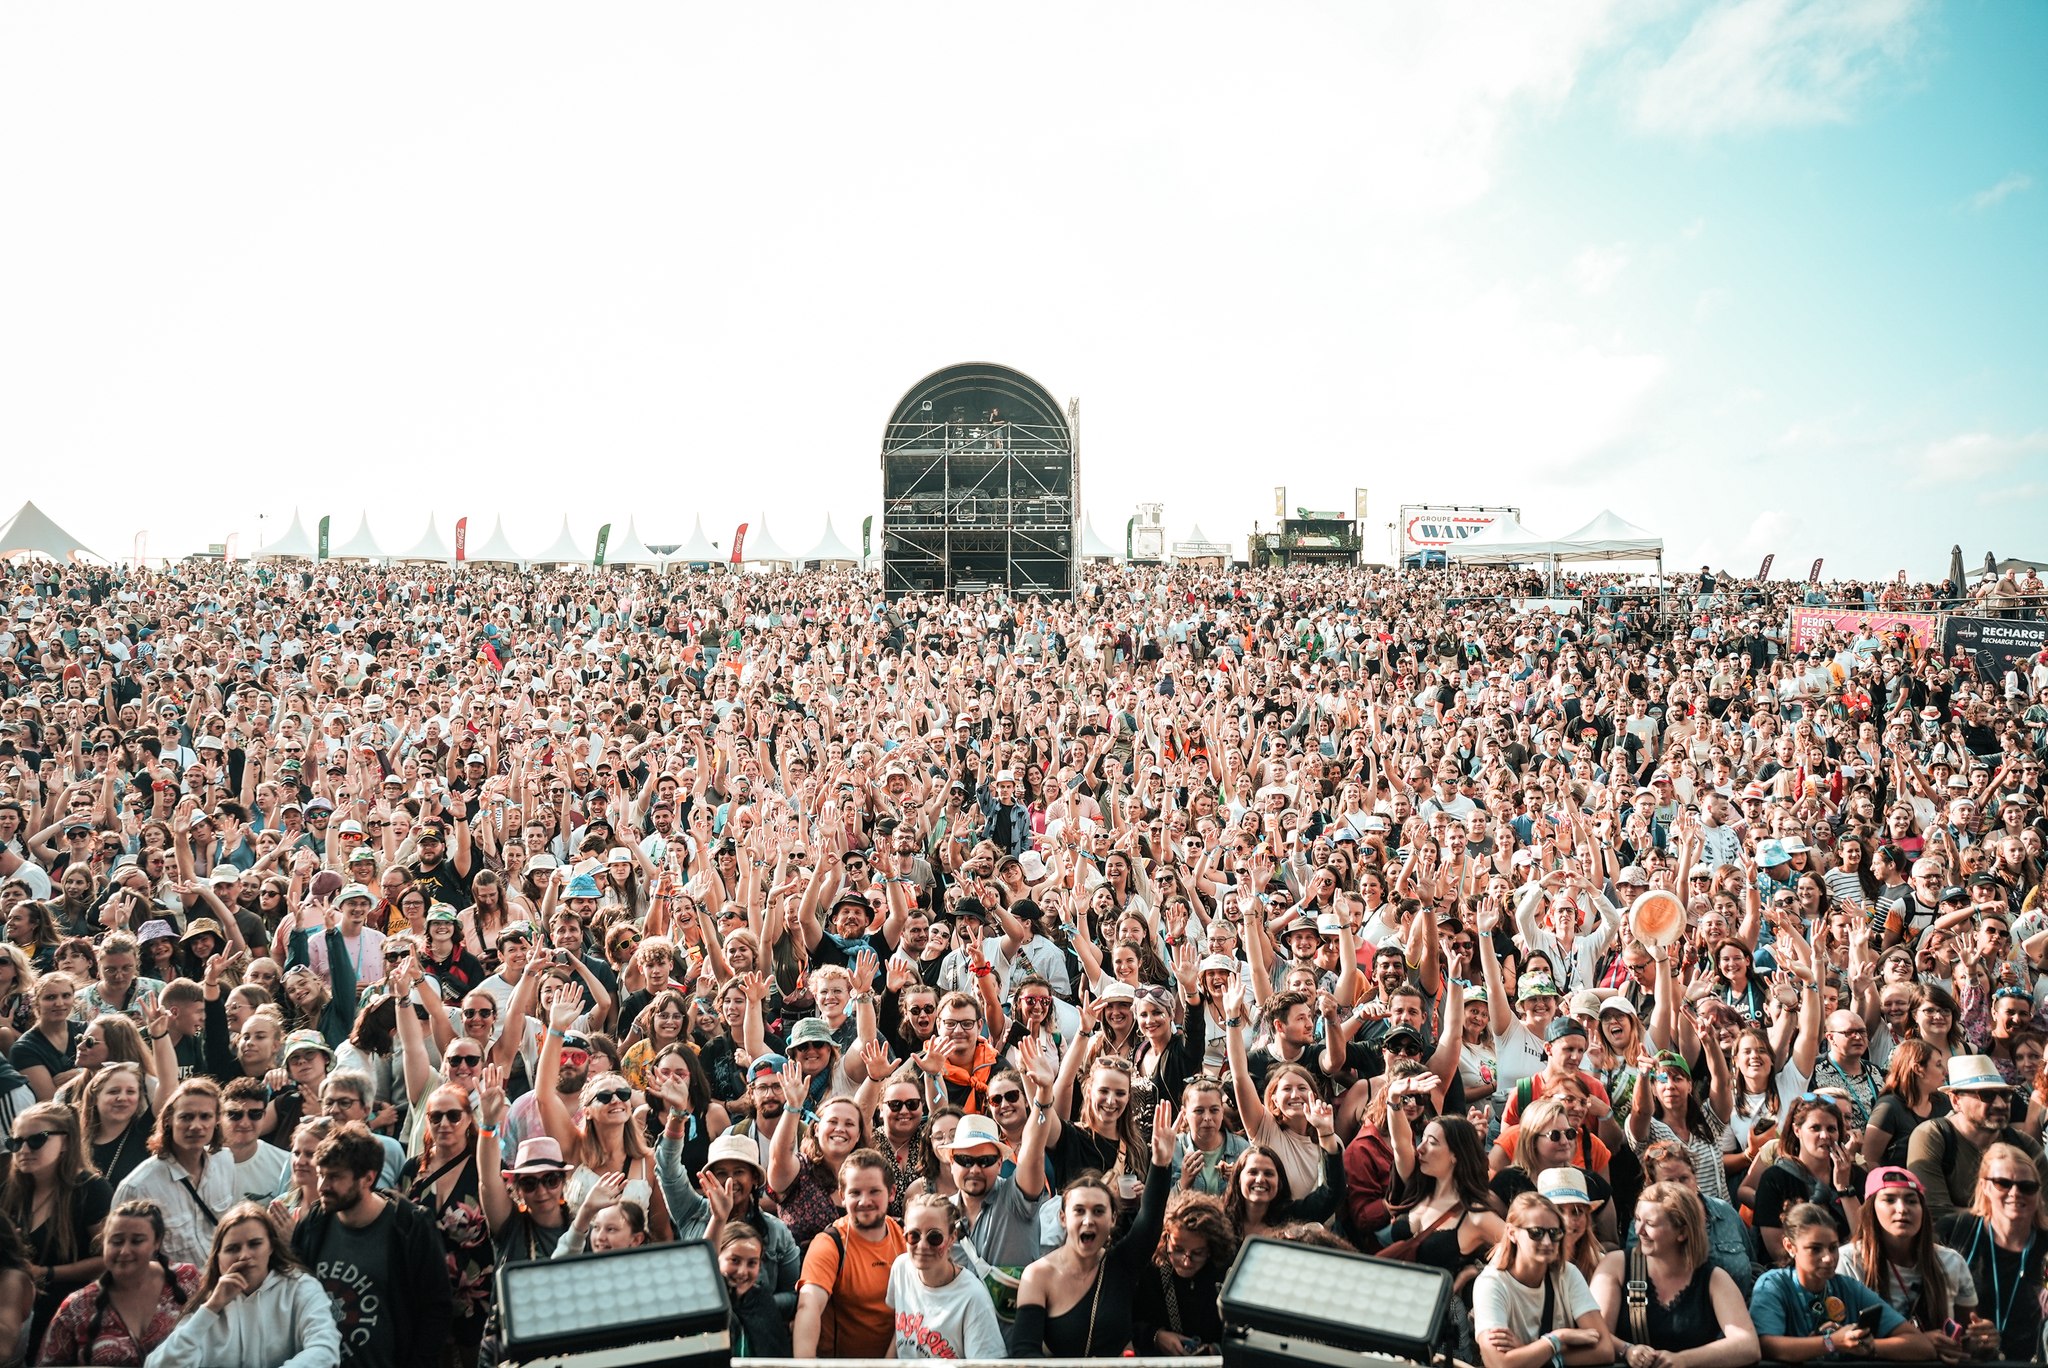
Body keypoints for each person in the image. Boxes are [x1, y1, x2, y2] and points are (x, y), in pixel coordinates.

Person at [1008, 1100, 1175, 1355]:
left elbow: (1149, 1221)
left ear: (1112, 1220)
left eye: (1098, 1211)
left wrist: (1160, 1163)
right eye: (1079, 1211)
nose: (1088, 1220)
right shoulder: (1038, 1276)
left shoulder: (1121, 1265)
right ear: (1063, 1218)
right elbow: (1024, 1352)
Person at [291, 1123, 453, 1368]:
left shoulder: (409, 1226)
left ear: (368, 1178)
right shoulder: (314, 1224)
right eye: (321, 1173)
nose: (322, 1186)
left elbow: (435, 1309)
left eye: (334, 1176)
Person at [143, 1201, 340, 1368]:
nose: (244, 1255)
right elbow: (158, 1364)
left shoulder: (300, 1287)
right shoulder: (210, 1302)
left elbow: (325, 1348)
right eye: (232, 1248)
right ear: (218, 1257)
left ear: (271, 1246)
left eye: (255, 1244)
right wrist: (210, 1308)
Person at [1591, 1181, 1759, 1368]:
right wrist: (1627, 1350)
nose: (1639, 1231)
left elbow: (1748, 1345)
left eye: (1650, 1224)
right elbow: (1597, 1334)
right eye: (1637, 1219)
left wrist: (1684, 1360)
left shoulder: (1713, 1278)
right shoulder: (1616, 1266)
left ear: (1682, 1232)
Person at [1836, 1166, 1987, 1363]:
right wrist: (1917, 1345)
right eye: (1889, 1199)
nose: (1902, 1208)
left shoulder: (1952, 1261)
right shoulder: (1848, 1260)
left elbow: (1967, 1335)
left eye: (1911, 1200)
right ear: (1871, 1208)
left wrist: (1982, 1340)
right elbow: (1842, 1340)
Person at [1750, 1201, 1934, 1361]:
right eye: (1815, 1249)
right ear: (1790, 1247)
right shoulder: (1773, 1286)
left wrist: (1867, 1346)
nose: (1828, 1258)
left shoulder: (1848, 1287)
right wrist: (1832, 1342)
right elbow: (1767, 1345)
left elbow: (1921, 1345)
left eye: (1833, 1248)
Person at [5, 1100, 113, 1358]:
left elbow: (110, 1259)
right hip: (18, 1316)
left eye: (36, 1140)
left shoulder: (91, 1190)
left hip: (72, 1317)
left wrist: (44, 1273)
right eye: (15, 1142)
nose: (23, 1149)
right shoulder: (10, 1192)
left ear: (66, 1142)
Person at [37, 1199, 200, 1368]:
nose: (124, 1251)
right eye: (116, 1241)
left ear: (157, 1243)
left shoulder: (187, 1279)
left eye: (137, 1241)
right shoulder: (77, 1308)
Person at [1933, 1141, 2048, 1361]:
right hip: (1967, 1360)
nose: (2015, 1193)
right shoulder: (1954, 1231)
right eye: (2003, 1183)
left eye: (2027, 1186)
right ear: (1985, 1186)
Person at [1472, 1191, 1614, 1368]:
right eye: (1536, 1233)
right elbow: (1499, 1364)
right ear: (1512, 1233)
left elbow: (1605, 1349)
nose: (1547, 1242)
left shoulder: (1567, 1273)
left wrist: (1535, 1354)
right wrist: (1557, 1338)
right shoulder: (1492, 1284)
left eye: (1554, 1233)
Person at [790, 1150, 909, 1358]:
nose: (864, 1201)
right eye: (855, 1193)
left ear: (891, 1193)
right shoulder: (830, 1243)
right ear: (842, 1196)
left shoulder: (908, 1237)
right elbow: (808, 1306)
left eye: (874, 1191)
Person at [113, 1079, 238, 1270]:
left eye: (205, 1117)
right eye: (186, 1117)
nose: (196, 1126)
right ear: (169, 1120)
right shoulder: (138, 1186)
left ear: (217, 1120)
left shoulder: (225, 1161)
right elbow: (120, 1258)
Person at [885, 1192, 1005, 1359]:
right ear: (904, 1234)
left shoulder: (973, 1298)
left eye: (934, 1237)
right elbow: (898, 1336)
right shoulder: (901, 1268)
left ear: (951, 1238)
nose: (922, 1245)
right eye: (914, 1235)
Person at [1130, 1191, 1232, 1357]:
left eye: (1197, 1253)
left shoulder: (1225, 1272)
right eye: (1177, 1250)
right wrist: (1156, 1336)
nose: (1186, 1262)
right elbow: (1126, 1322)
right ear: (1166, 1237)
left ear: (1212, 1248)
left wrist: (1216, 1349)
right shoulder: (1150, 1269)